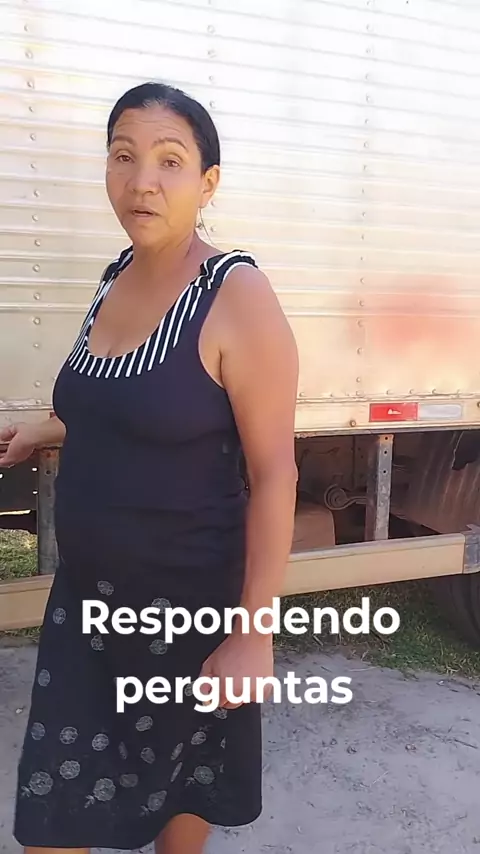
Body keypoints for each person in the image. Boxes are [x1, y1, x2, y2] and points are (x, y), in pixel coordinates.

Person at [0, 81, 299, 854]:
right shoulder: (114, 279)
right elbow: (130, 402)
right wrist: (45, 427)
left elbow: (276, 474)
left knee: (181, 785)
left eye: (170, 161)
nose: (142, 181)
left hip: (187, 615)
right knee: (54, 815)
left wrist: (253, 634)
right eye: (123, 156)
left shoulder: (236, 295)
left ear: (208, 182)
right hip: (87, 608)